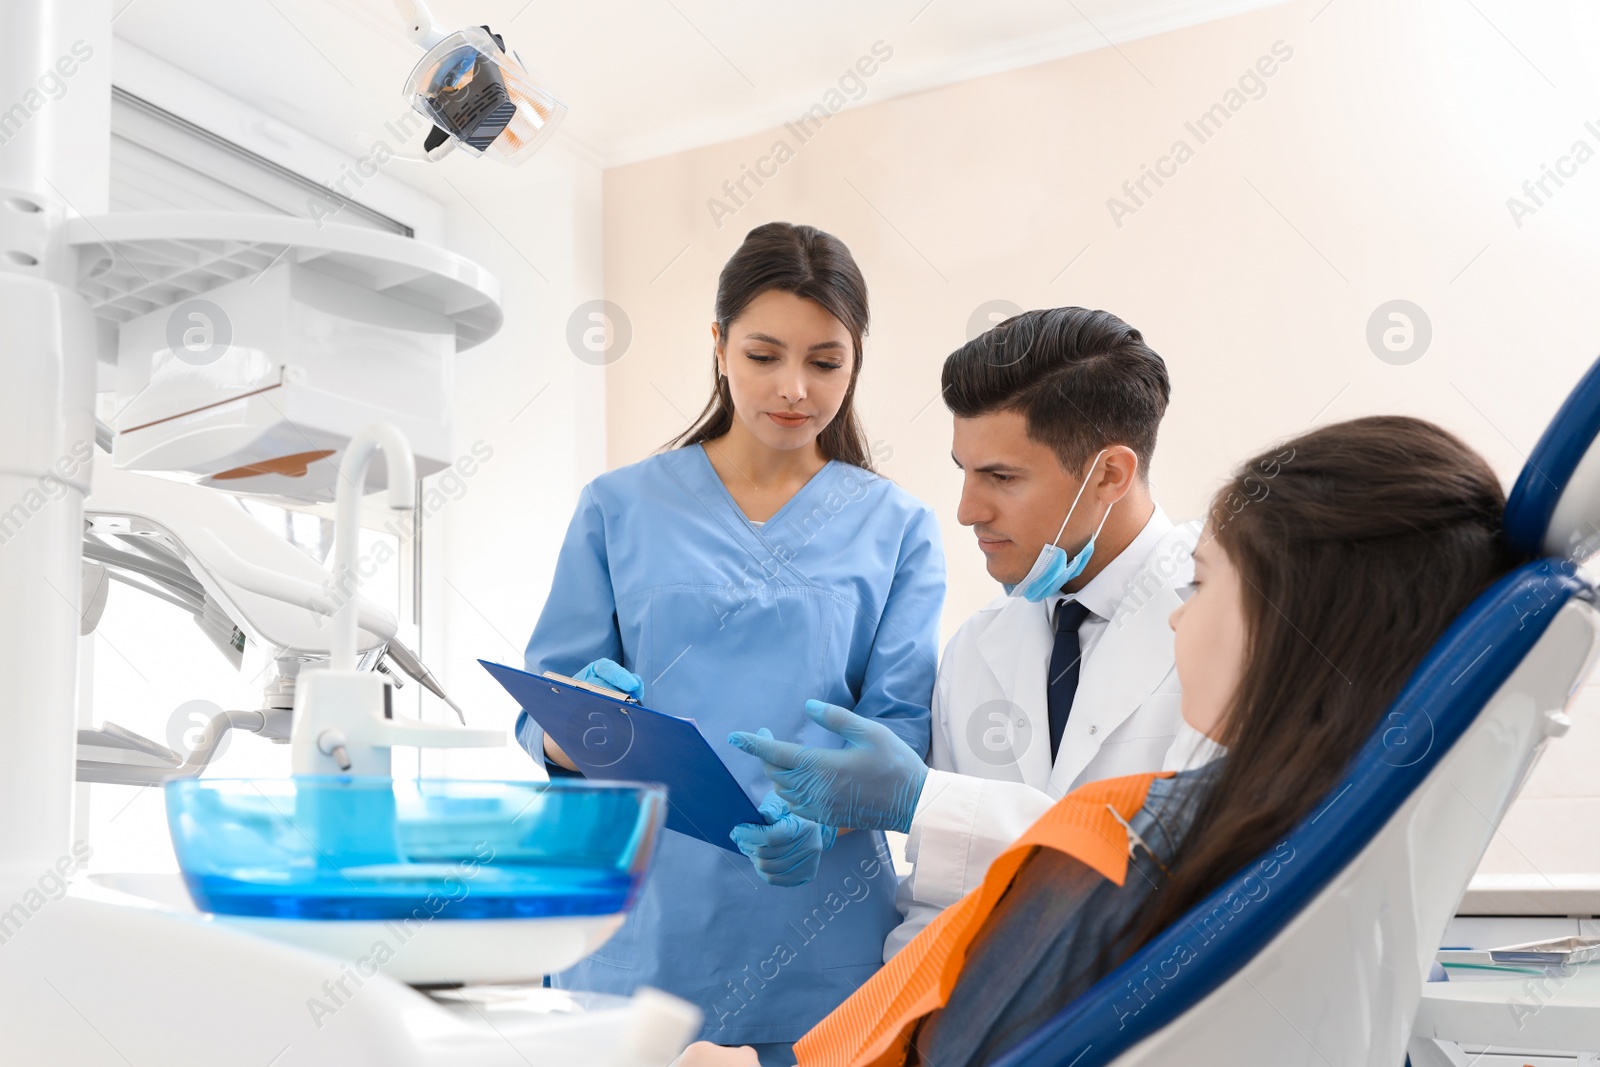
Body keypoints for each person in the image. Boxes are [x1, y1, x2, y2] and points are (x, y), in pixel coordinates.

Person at [678, 414, 1514, 1066]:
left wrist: (923, 800)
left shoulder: (1142, 833)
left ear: (1295, 618)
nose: (968, 507)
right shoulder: (1304, 822)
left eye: (1206, 578)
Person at [515, 221, 945, 1064]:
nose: (794, 388)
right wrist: (576, 727)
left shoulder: (898, 527)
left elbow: (902, 728)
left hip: (821, 934)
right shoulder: (619, 506)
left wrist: (825, 815)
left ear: (857, 360)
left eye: (826, 362)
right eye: (763, 355)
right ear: (717, 347)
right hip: (641, 925)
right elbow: (545, 711)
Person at [730, 307, 1208, 956]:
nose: (966, 510)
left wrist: (924, 797)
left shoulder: (1228, 625)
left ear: (1109, 475)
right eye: (964, 470)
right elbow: (937, 911)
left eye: (1001, 478)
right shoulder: (980, 647)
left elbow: (1175, 876)